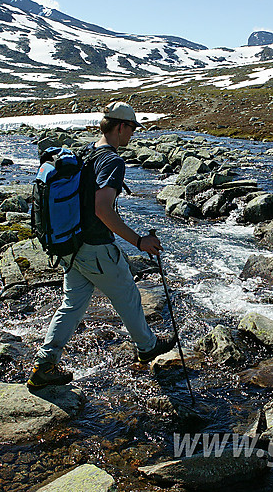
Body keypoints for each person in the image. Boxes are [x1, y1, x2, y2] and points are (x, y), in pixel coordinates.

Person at [27, 101, 177, 389]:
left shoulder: (87, 153)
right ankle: (147, 347)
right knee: (128, 294)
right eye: (131, 128)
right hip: (96, 247)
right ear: (120, 126)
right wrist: (139, 241)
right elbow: (102, 208)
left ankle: (44, 365)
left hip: (71, 245)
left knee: (71, 306)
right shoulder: (112, 160)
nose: (132, 135)